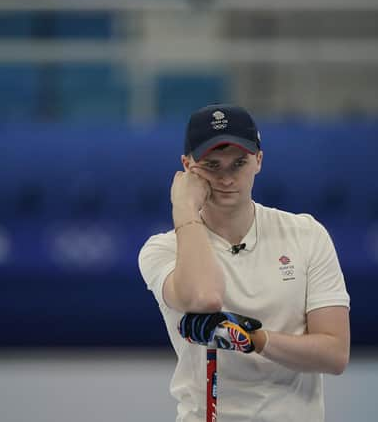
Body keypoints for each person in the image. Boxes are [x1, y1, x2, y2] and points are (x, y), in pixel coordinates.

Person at [138, 103, 350, 422]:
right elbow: (206, 296)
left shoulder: (307, 234)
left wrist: (254, 340)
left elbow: (335, 354)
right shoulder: (162, 250)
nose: (226, 178)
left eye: (238, 163)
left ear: (259, 161)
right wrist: (183, 207)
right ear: (187, 167)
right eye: (212, 165)